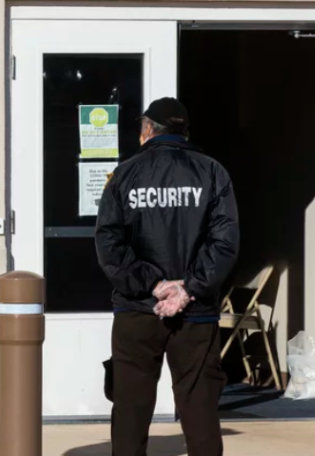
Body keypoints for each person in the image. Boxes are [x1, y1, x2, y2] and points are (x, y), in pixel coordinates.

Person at [95, 97, 239, 456]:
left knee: (131, 409)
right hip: (196, 314)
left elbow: (109, 243)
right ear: (185, 132)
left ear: (147, 129)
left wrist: (152, 285)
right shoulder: (212, 172)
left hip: (137, 310)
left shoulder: (124, 174)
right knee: (199, 407)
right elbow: (224, 242)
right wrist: (188, 287)